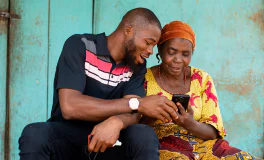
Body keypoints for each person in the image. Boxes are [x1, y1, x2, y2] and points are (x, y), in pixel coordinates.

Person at [18, 8, 180, 160]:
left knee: (143, 134)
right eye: (148, 42)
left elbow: (134, 113)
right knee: (35, 134)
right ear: (128, 30)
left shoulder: (136, 64)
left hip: (110, 140)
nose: (151, 51)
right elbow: (70, 107)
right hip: (68, 138)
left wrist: (116, 122)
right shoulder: (80, 46)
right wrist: (136, 103)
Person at [141, 20, 261, 160]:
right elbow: (133, 129)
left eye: (185, 54)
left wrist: (189, 123)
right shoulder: (144, 79)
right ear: (160, 50)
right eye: (171, 52)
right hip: (162, 146)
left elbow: (213, 133)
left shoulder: (202, 79)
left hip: (206, 147)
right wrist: (156, 113)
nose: (178, 60)